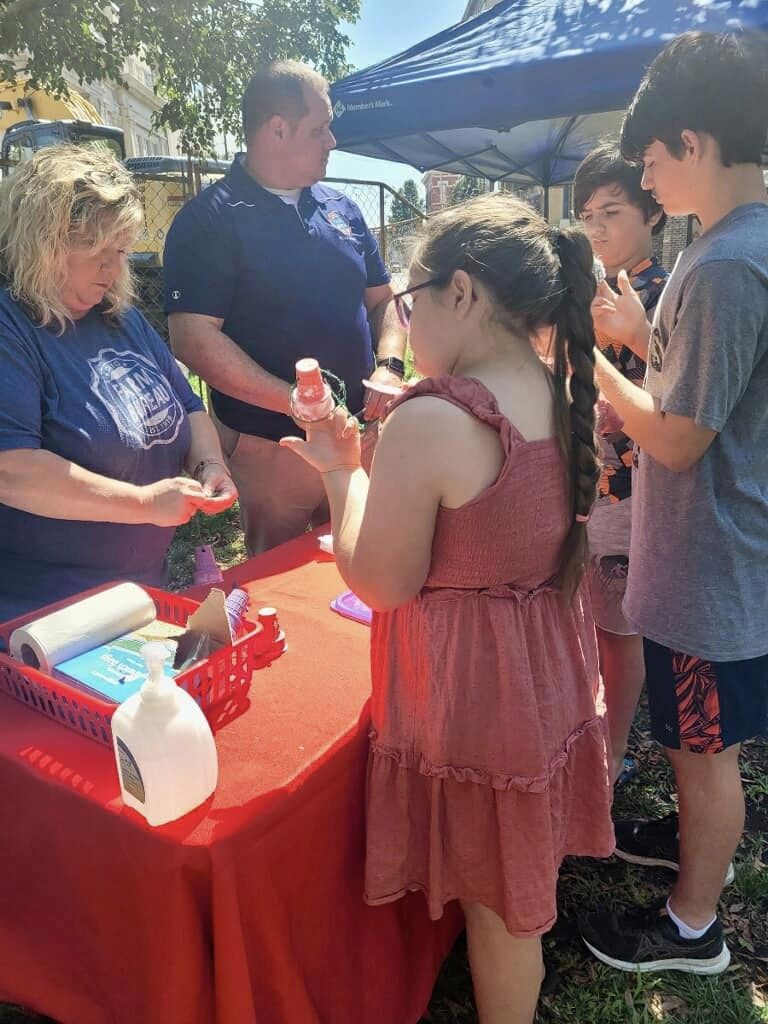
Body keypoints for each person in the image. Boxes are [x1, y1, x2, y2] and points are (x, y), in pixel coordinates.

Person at [280, 195, 615, 1024]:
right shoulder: (557, 383)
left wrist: (340, 470)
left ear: (460, 292)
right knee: (513, 887)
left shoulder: (434, 417)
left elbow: (380, 582)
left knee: (499, 912)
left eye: (408, 300)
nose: (405, 322)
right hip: (541, 678)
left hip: (474, 700)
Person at [580, 31, 768, 974]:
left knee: (704, 750)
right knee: (699, 743)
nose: (647, 178)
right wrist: (643, 331)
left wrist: (599, 370)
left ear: (693, 142)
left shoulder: (730, 262)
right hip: (709, 549)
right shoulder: (726, 247)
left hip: (707, 561)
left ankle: (693, 927)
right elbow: (709, 387)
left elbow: (683, 436)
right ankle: (697, 845)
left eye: (651, 160)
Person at [164, 60, 407, 555]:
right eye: (319, 129)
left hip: (357, 434)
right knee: (279, 581)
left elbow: (384, 301)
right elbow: (193, 337)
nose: (332, 141)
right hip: (272, 448)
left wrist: (391, 365)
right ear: (277, 129)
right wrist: (293, 401)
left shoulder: (342, 208)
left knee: (366, 562)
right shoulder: (209, 219)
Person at [0, 145, 237, 622]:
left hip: (137, 593)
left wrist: (209, 465)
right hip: (47, 614)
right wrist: (145, 503)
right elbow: (12, 471)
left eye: (121, 251)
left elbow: (189, 407)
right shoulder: (12, 328)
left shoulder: (120, 318)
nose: (112, 269)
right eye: (96, 250)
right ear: (42, 244)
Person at [573, 144, 668, 784]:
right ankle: (598, 740)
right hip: (592, 484)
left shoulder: (663, 294)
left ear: (653, 211)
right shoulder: (595, 291)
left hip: (633, 493)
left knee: (618, 632)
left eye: (612, 211)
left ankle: (610, 757)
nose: (597, 229)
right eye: (588, 215)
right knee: (594, 622)